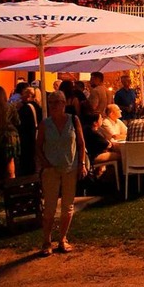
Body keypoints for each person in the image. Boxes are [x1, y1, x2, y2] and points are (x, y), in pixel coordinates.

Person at [35, 90, 86, 256]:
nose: (54, 106)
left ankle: (63, 238)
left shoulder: (73, 120)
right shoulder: (45, 124)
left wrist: (82, 163)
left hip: (70, 167)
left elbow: (80, 143)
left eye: (57, 102)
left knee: (67, 206)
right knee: (49, 207)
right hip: (51, 169)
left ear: (64, 104)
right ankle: (46, 240)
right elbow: (38, 145)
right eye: (51, 103)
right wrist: (44, 162)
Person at [16, 87, 43, 176]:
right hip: (36, 134)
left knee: (27, 159)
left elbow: (20, 123)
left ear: (28, 96)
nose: (21, 97)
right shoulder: (38, 106)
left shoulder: (26, 108)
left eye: (23, 94)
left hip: (27, 136)